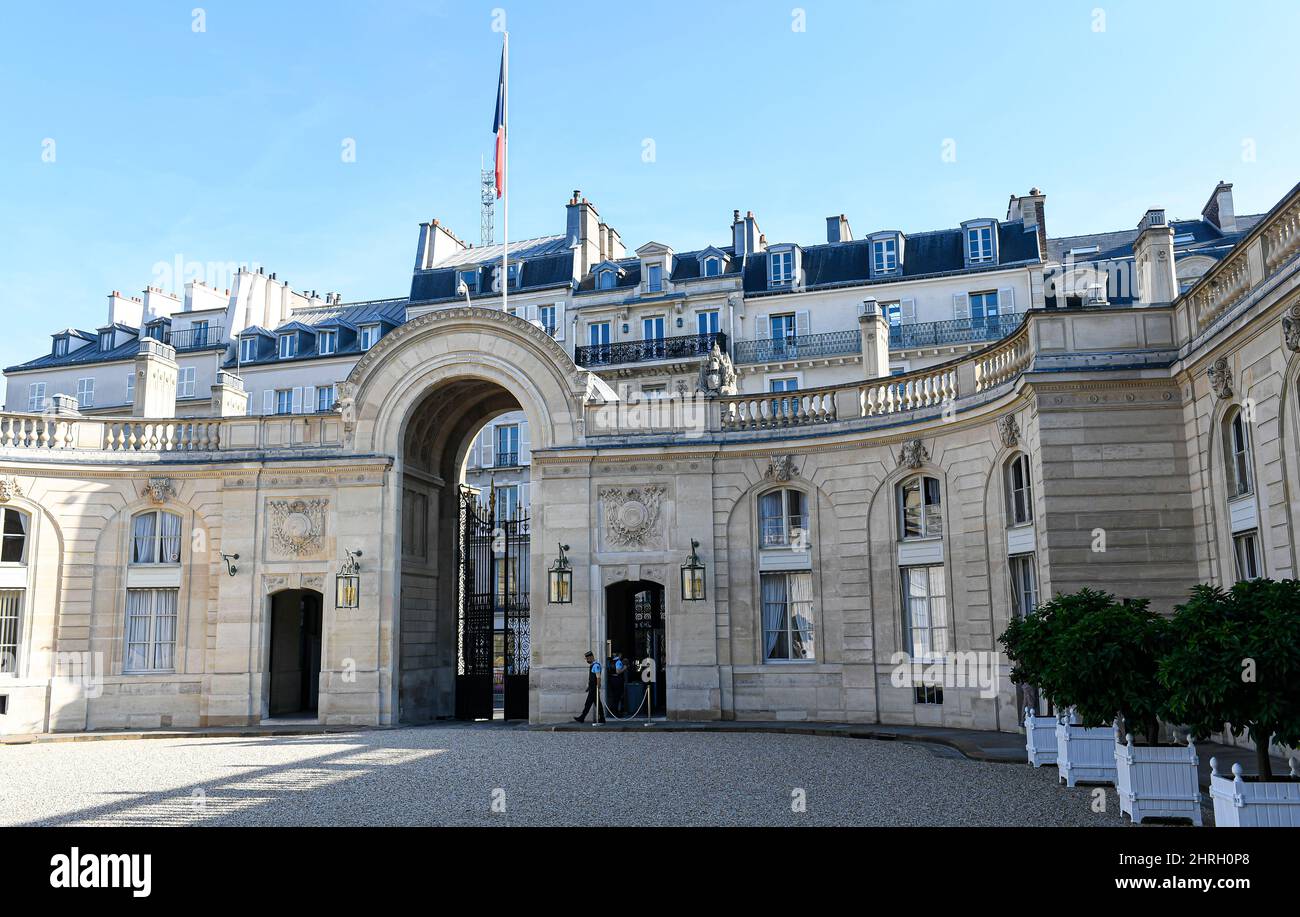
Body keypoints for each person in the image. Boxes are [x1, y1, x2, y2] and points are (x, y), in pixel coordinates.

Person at [574, 650, 605, 723]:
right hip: (592, 688)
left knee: (588, 703)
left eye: (588, 659)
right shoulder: (592, 665)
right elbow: (591, 678)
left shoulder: (596, 665)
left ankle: (582, 718)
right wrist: (588, 687)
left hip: (594, 688)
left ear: (591, 657)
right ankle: (602, 719)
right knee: (598, 704)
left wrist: (598, 687)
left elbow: (598, 677)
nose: (587, 660)